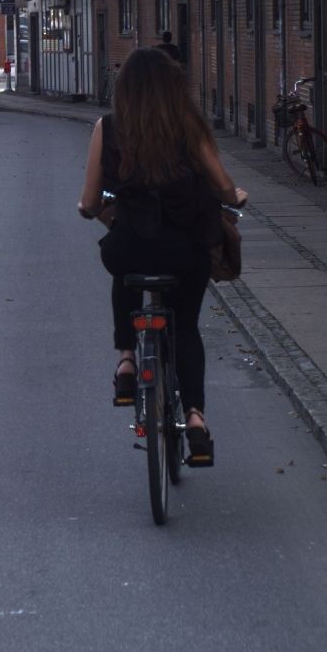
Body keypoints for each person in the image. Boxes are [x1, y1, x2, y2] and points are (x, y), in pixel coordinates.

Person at [77, 47, 246, 466]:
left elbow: (90, 201)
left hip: (129, 246)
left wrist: (90, 209)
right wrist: (235, 196)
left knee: (125, 271)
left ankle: (126, 361)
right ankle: (195, 419)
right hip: (184, 252)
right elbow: (223, 186)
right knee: (185, 327)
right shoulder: (188, 126)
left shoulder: (108, 128)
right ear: (173, 87)